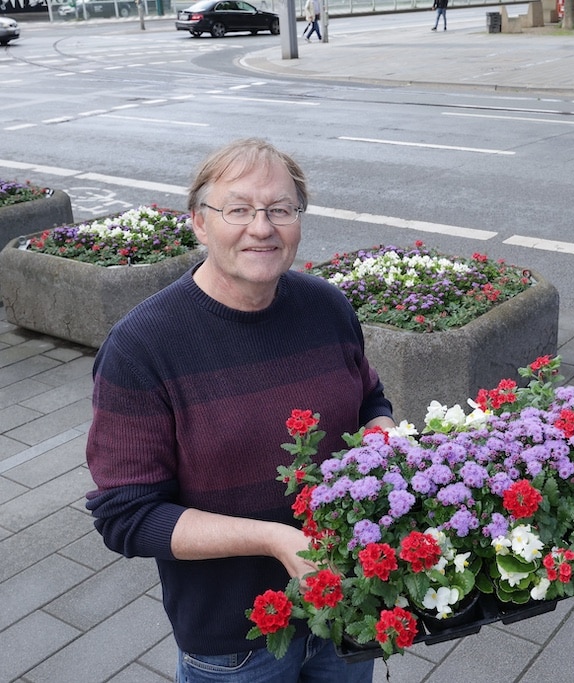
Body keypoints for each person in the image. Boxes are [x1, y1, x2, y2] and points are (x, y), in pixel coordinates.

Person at [85, 138, 393, 682]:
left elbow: (368, 396)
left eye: (280, 209)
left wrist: (382, 435)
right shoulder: (143, 346)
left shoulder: (327, 306)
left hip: (349, 607)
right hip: (236, 640)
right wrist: (275, 540)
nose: (262, 227)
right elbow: (126, 515)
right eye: (239, 209)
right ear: (200, 223)